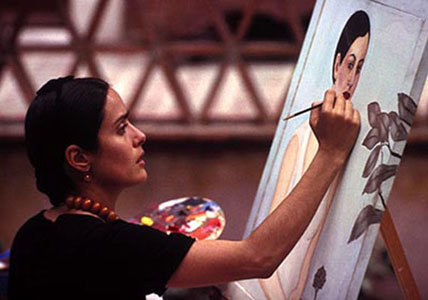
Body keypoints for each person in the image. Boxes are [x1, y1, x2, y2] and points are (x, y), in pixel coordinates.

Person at [8, 74, 360, 299]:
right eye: (120, 128)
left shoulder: (32, 234)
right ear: (79, 159)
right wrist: (330, 152)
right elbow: (258, 257)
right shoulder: (112, 244)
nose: (139, 135)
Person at [259, 10, 370, 299]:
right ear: (336, 65)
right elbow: (261, 251)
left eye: (360, 68)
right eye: (349, 64)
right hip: (269, 282)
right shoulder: (299, 139)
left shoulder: (353, 140)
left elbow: (312, 246)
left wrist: (300, 291)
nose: (352, 78)